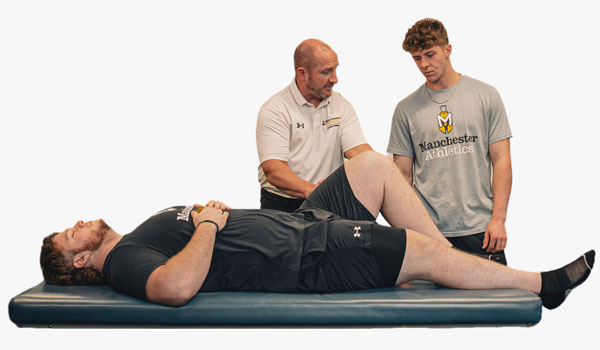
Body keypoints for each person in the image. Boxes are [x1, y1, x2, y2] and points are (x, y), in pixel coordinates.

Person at [40, 151, 593, 310]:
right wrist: (207, 225)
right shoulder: (123, 265)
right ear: (82, 263)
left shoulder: (131, 238)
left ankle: (460, 266)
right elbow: (174, 288)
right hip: (308, 256)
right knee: (417, 251)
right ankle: (541, 285)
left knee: (374, 166)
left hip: (301, 224)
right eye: (72, 235)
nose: (79, 224)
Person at [387, 18, 513, 264]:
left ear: (448, 49)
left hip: (481, 229)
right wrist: (409, 232)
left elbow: (502, 160)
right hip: (428, 232)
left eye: (430, 55)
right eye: (417, 58)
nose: (424, 64)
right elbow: (401, 177)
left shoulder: (485, 95)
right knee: (428, 303)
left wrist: (498, 219)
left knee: (493, 302)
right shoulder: (406, 110)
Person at [256, 38, 373, 212]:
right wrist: (312, 190)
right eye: (326, 72)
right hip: (283, 205)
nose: (335, 79)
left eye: (335, 69)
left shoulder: (341, 105)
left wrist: (383, 169)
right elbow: (274, 169)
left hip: (328, 201)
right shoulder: (275, 110)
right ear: (302, 73)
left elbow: (358, 151)